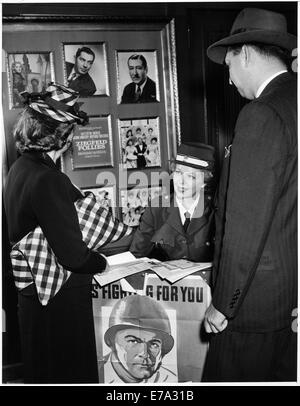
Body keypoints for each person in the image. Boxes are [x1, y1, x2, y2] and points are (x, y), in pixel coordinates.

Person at [3, 82, 129, 384]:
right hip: (61, 305)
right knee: (69, 373)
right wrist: (103, 263)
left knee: (42, 371)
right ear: (64, 135)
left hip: (34, 299)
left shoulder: (20, 168)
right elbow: (73, 256)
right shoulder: (49, 179)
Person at [203, 8, 297, 382]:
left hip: (253, 309)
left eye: (228, 65)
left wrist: (222, 304)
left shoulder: (260, 113)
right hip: (289, 302)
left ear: (244, 53)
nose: (228, 80)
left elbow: (244, 223)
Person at [130, 143, 215, 262]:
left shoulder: (216, 210)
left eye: (191, 176)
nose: (181, 182)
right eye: (178, 172)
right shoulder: (157, 207)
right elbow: (136, 255)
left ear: (204, 182)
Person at [103, 295, 177, 383]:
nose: (145, 354)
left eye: (154, 344)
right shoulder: (95, 373)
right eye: (133, 341)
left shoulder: (169, 380)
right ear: (112, 342)